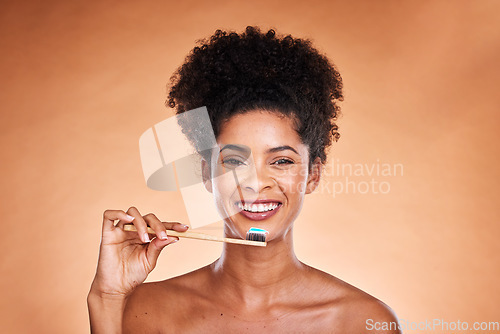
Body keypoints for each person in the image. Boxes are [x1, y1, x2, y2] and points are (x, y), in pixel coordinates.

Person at [88, 26, 401, 333]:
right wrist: (106, 298)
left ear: (313, 175)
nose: (256, 183)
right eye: (235, 161)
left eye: (281, 161)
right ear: (206, 173)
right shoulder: (147, 312)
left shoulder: (362, 322)